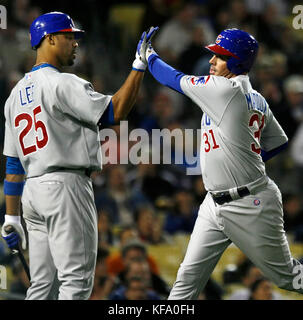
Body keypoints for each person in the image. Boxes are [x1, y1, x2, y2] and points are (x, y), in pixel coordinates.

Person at [0, 11, 158, 300]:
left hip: (33, 194)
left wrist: (12, 217)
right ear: (49, 39)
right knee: (76, 281)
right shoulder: (63, 83)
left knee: (42, 287)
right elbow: (116, 111)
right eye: (69, 36)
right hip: (66, 186)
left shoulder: (14, 95)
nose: (75, 43)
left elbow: (13, 165)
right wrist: (139, 65)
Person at [143, 27, 303, 299]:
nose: (211, 61)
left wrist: (148, 57)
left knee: (289, 278)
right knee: (186, 281)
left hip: (250, 203)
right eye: (213, 55)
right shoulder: (257, 98)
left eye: (220, 56)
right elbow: (278, 142)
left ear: (238, 62)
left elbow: (173, 79)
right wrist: (246, 159)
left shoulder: (224, 89)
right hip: (214, 202)